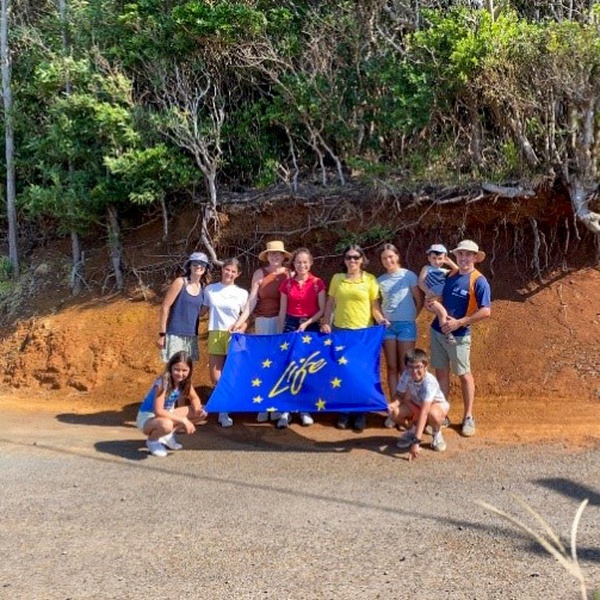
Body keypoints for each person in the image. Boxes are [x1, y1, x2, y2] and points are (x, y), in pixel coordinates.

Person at [320, 244, 387, 432]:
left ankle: (360, 413)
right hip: (340, 332)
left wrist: (381, 319)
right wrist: (325, 322)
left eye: (356, 257)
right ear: (344, 260)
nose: (352, 261)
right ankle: (344, 411)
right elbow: (330, 303)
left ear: (362, 259)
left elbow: (375, 307)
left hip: (364, 334)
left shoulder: (370, 280)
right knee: (343, 372)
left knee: (361, 373)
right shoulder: (337, 279)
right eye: (349, 257)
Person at [429, 239, 491, 438]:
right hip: (438, 332)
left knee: (464, 375)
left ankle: (468, 417)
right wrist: (431, 303)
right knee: (441, 374)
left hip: (460, 335)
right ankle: (443, 415)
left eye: (468, 254)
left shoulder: (479, 281)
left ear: (475, 257)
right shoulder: (451, 275)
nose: (464, 258)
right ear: (456, 256)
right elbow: (435, 297)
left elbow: (486, 311)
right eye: (460, 254)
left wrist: (460, 322)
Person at [231, 240, 291, 423]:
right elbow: (251, 301)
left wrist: (281, 328)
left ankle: (280, 408)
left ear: (283, 256)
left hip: (281, 322)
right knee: (264, 364)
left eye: (278, 254)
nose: (275, 256)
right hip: (262, 323)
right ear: (267, 256)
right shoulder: (260, 273)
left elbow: (286, 304)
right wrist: (239, 322)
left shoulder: (288, 274)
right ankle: (264, 405)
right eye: (272, 253)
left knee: (280, 365)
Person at [276, 247, 326, 428]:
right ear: (294, 264)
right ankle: (286, 410)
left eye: (305, 262)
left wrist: (306, 324)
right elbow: (282, 310)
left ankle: (305, 409)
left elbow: (322, 309)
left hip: (310, 325)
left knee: (307, 366)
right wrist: (282, 332)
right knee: (290, 365)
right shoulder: (287, 284)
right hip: (290, 324)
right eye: (298, 262)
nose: (302, 265)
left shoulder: (317, 283)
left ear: (310, 263)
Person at [377, 243, 423, 427]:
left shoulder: (408, 275)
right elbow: (377, 304)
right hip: (388, 327)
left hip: (406, 326)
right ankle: (393, 410)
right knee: (392, 367)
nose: (388, 260)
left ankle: (407, 407)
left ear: (397, 256)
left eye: (391, 256)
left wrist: (412, 318)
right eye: (384, 258)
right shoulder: (380, 280)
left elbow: (418, 300)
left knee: (407, 368)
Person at [201, 258, 249, 428]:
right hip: (215, 332)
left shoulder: (242, 293)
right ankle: (223, 407)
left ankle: (226, 408)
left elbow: (246, 317)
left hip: (234, 336)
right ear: (222, 270)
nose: (229, 273)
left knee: (232, 372)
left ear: (238, 274)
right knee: (215, 374)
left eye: (233, 271)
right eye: (227, 270)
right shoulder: (210, 289)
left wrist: (241, 328)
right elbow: (201, 311)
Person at [136, 351, 206, 457]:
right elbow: (158, 411)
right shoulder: (163, 382)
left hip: (167, 414)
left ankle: (167, 434)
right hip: (147, 418)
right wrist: (183, 420)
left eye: (184, 370)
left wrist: (197, 409)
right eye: (176, 369)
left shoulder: (185, 382)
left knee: (203, 412)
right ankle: (152, 441)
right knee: (166, 424)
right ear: (170, 367)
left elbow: (195, 398)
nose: (180, 373)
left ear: (190, 370)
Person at [388, 348, 450, 459]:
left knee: (433, 414)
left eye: (418, 367)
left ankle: (436, 433)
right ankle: (412, 430)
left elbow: (425, 412)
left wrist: (416, 442)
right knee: (393, 413)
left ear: (426, 367)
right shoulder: (406, 375)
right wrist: (393, 404)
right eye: (410, 367)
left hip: (435, 407)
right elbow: (399, 395)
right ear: (406, 367)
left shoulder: (429, 382)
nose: (414, 371)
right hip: (417, 405)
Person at [157, 251, 211, 362]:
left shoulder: (203, 288)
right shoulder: (180, 282)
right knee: (172, 370)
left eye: (202, 264)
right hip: (174, 333)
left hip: (191, 335)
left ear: (206, 268)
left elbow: (200, 313)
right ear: (189, 266)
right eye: (195, 263)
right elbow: (165, 307)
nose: (199, 266)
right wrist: (162, 334)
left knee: (186, 371)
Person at [418, 244, 459, 344]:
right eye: (434, 258)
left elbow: (458, 271)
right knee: (442, 313)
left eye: (440, 258)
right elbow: (420, 282)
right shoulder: (427, 268)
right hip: (430, 299)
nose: (437, 261)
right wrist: (427, 291)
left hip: (440, 299)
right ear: (429, 258)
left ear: (444, 258)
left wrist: (450, 262)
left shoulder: (445, 271)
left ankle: (443, 334)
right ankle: (448, 335)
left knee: (445, 315)